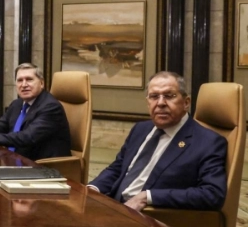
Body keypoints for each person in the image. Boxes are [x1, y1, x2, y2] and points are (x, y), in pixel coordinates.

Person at [88, 71, 227, 211]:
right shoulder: (140, 129)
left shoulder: (208, 142)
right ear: (147, 102)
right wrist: (93, 189)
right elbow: (118, 168)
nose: (160, 103)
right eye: (154, 96)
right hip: (113, 207)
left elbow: (212, 194)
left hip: (151, 218)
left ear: (186, 103)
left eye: (169, 96)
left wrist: (147, 197)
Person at [0, 63, 72, 161]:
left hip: (41, 166)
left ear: (42, 83)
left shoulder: (50, 107)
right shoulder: (17, 104)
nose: (24, 85)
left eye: (29, 79)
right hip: (15, 159)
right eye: (20, 80)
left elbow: (27, 137)